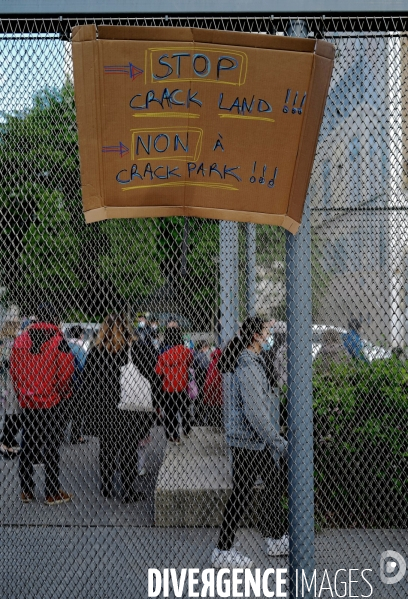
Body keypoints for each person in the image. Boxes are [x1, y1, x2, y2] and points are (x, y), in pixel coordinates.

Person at [212, 316, 288, 568]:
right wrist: (278, 442)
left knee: (271, 482)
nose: (270, 337)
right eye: (267, 332)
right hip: (248, 439)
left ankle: (274, 537)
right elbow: (255, 412)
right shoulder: (248, 365)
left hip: (251, 439)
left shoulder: (251, 360)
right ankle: (223, 550)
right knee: (242, 494)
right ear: (256, 336)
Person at [10, 304, 75, 505]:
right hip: (51, 401)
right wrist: (63, 392)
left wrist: (23, 390)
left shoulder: (21, 340)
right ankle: (51, 491)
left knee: (28, 443)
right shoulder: (59, 342)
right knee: (51, 445)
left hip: (29, 400)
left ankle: (27, 490)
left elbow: (14, 369)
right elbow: (65, 374)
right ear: (55, 320)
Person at [82, 313, 150, 502]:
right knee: (128, 447)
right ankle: (128, 489)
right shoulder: (132, 349)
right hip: (127, 406)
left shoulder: (96, 351)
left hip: (104, 408)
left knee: (107, 447)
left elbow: (87, 381)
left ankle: (106, 485)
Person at [155, 327, 193, 444]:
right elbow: (190, 362)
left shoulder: (162, 355)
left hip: (167, 388)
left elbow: (158, 372)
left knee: (170, 413)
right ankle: (187, 427)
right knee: (184, 409)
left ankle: (174, 434)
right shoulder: (185, 351)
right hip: (181, 386)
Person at [0, 320, 22, 459]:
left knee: (11, 414)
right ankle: (5, 443)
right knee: (15, 414)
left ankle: (6, 442)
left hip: (5, 383)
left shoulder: (3, 342)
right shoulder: (10, 342)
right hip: (10, 381)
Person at [66, 326, 87, 444]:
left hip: (64, 383)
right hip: (77, 384)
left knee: (64, 410)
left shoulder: (65, 346)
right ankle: (76, 436)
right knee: (78, 411)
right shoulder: (80, 348)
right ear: (81, 335)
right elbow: (82, 367)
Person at [203, 347, 223, 428]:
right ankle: (217, 423)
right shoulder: (220, 361)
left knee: (212, 406)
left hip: (210, 385)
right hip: (218, 386)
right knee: (218, 406)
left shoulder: (212, 361)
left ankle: (212, 422)